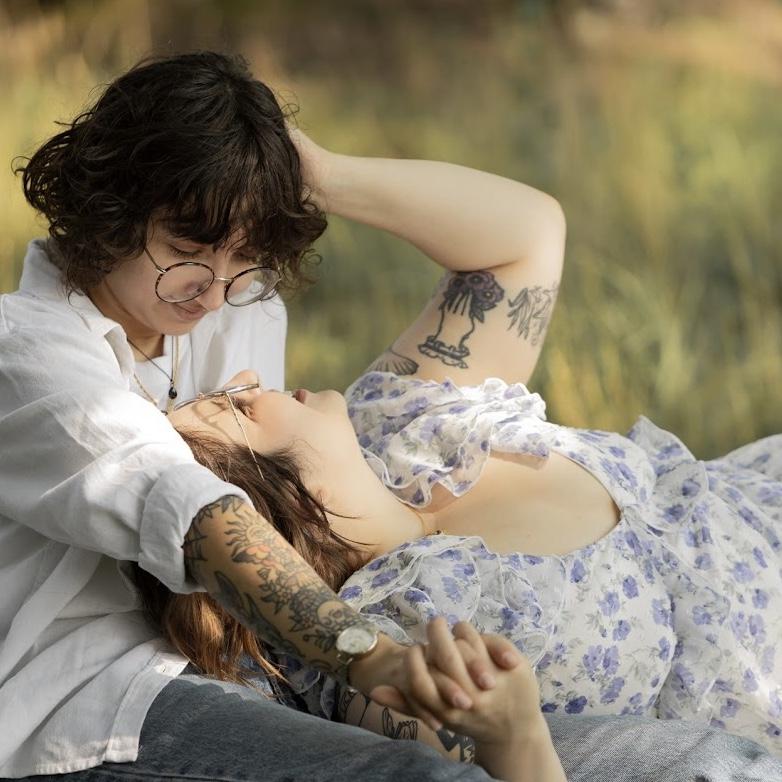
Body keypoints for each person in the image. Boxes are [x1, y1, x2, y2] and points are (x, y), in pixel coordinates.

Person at [166, 125, 782, 765]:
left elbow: (526, 236)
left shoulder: (406, 423)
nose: (247, 377)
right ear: (286, 498)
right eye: (237, 407)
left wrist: (318, 177)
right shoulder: (397, 649)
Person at [0, 51, 526, 782]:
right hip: (99, 697)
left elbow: (528, 235)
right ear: (108, 211)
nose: (215, 292)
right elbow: (196, 514)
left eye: (244, 257)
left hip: (271, 664)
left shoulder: (244, 307)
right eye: (186, 250)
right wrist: (367, 656)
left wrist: (293, 169)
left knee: (657, 758)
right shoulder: (24, 347)